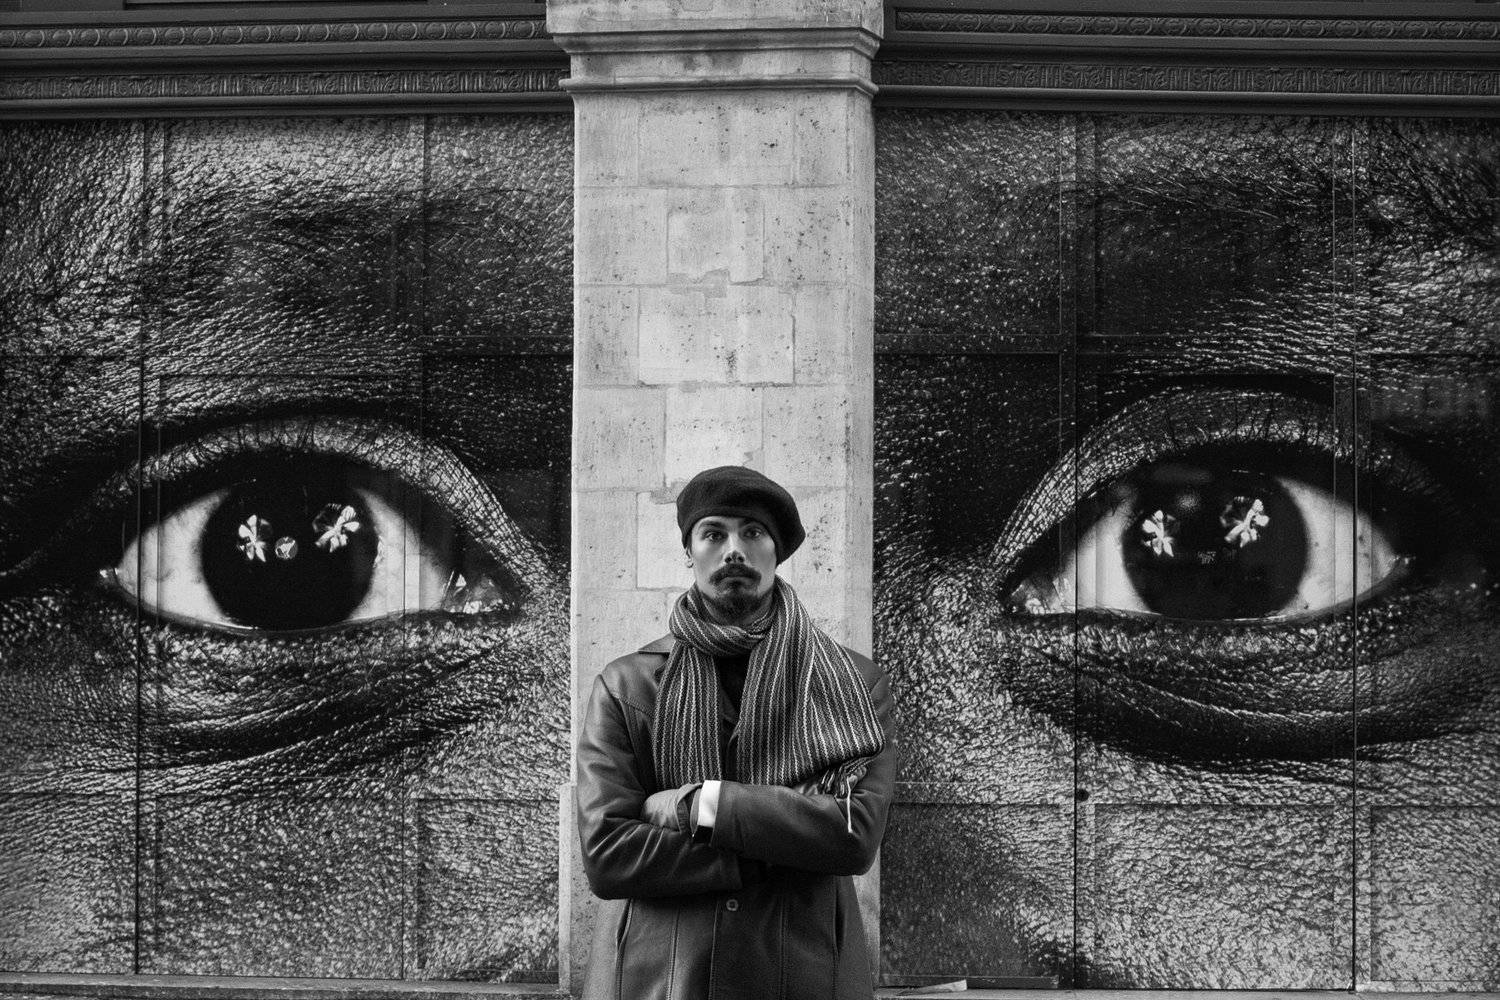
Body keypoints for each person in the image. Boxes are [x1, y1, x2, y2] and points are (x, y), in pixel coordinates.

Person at [575, 465, 897, 1000]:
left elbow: (854, 836)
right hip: (660, 977)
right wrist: (784, 837)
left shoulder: (854, 685)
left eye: (753, 532)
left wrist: (700, 806)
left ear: (776, 551)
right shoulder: (627, 685)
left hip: (803, 971)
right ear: (689, 551)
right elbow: (609, 856)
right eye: (714, 533)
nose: (734, 550)